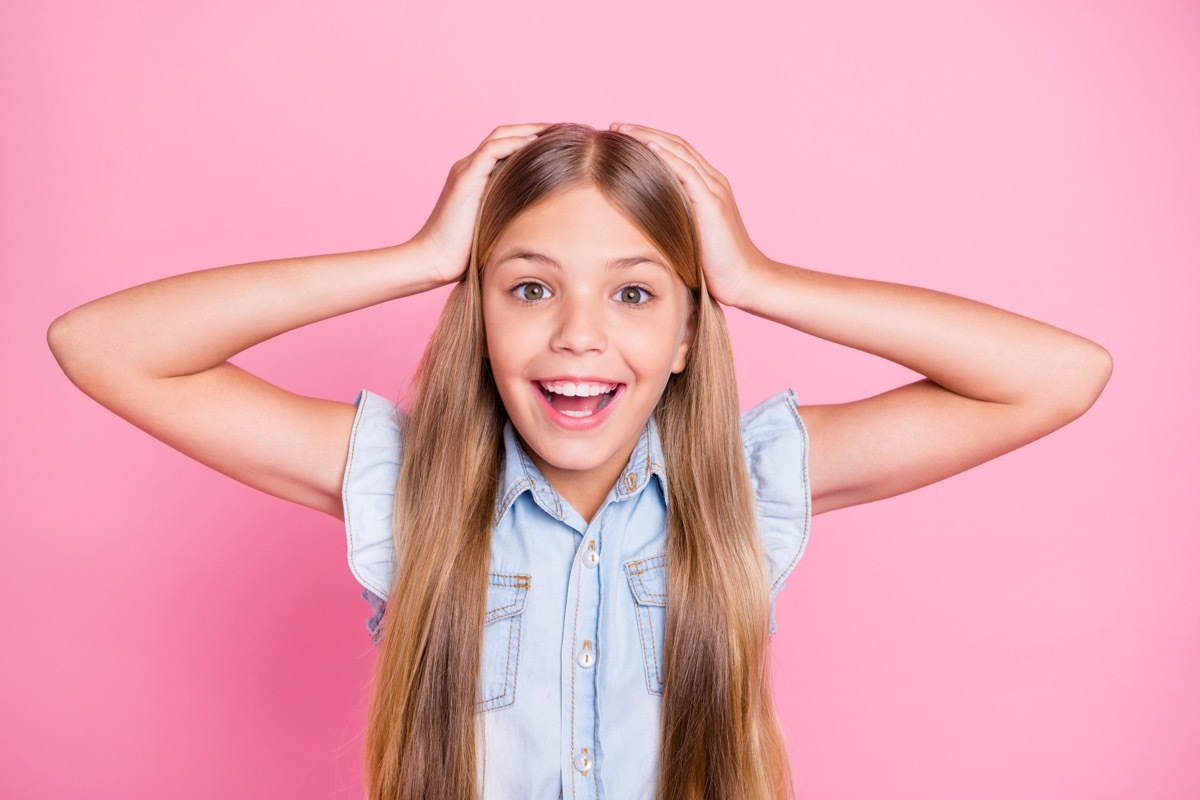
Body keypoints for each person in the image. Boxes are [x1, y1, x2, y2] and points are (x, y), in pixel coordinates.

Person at [46, 121, 1113, 800]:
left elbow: (1056, 373)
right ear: (480, 317)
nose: (579, 334)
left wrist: (761, 276)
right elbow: (102, 346)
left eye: (636, 293)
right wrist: (417, 259)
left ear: (691, 333)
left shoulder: (747, 486)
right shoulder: (407, 488)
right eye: (530, 286)